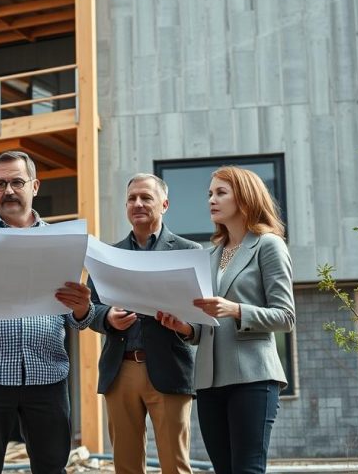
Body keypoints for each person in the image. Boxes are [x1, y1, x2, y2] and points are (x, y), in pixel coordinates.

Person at [0, 150, 95, 474]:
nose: (8, 190)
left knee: (52, 467)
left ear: (35, 186)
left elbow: (78, 318)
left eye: (16, 182)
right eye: (0, 184)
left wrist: (82, 310)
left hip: (48, 374)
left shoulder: (61, 241)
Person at [160, 166, 295, 474]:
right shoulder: (208, 256)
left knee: (247, 469)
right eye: (209, 193)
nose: (211, 200)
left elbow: (285, 316)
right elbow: (205, 323)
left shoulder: (268, 245)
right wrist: (184, 327)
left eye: (221, 193)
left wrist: (235, 309)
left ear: (245, 198)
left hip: (253, 378)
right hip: (208, 382)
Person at [88, 173, 201, 474]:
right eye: (132, 199)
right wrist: (107, 318)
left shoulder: (189, 252)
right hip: (119, 369)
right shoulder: (108, 255)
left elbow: (203, 316)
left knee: (174, 465)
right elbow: (90, 308)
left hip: (169, 368)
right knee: (125, 466)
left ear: (164, 204)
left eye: (146, 198)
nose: (138, 203)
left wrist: (184, 324)